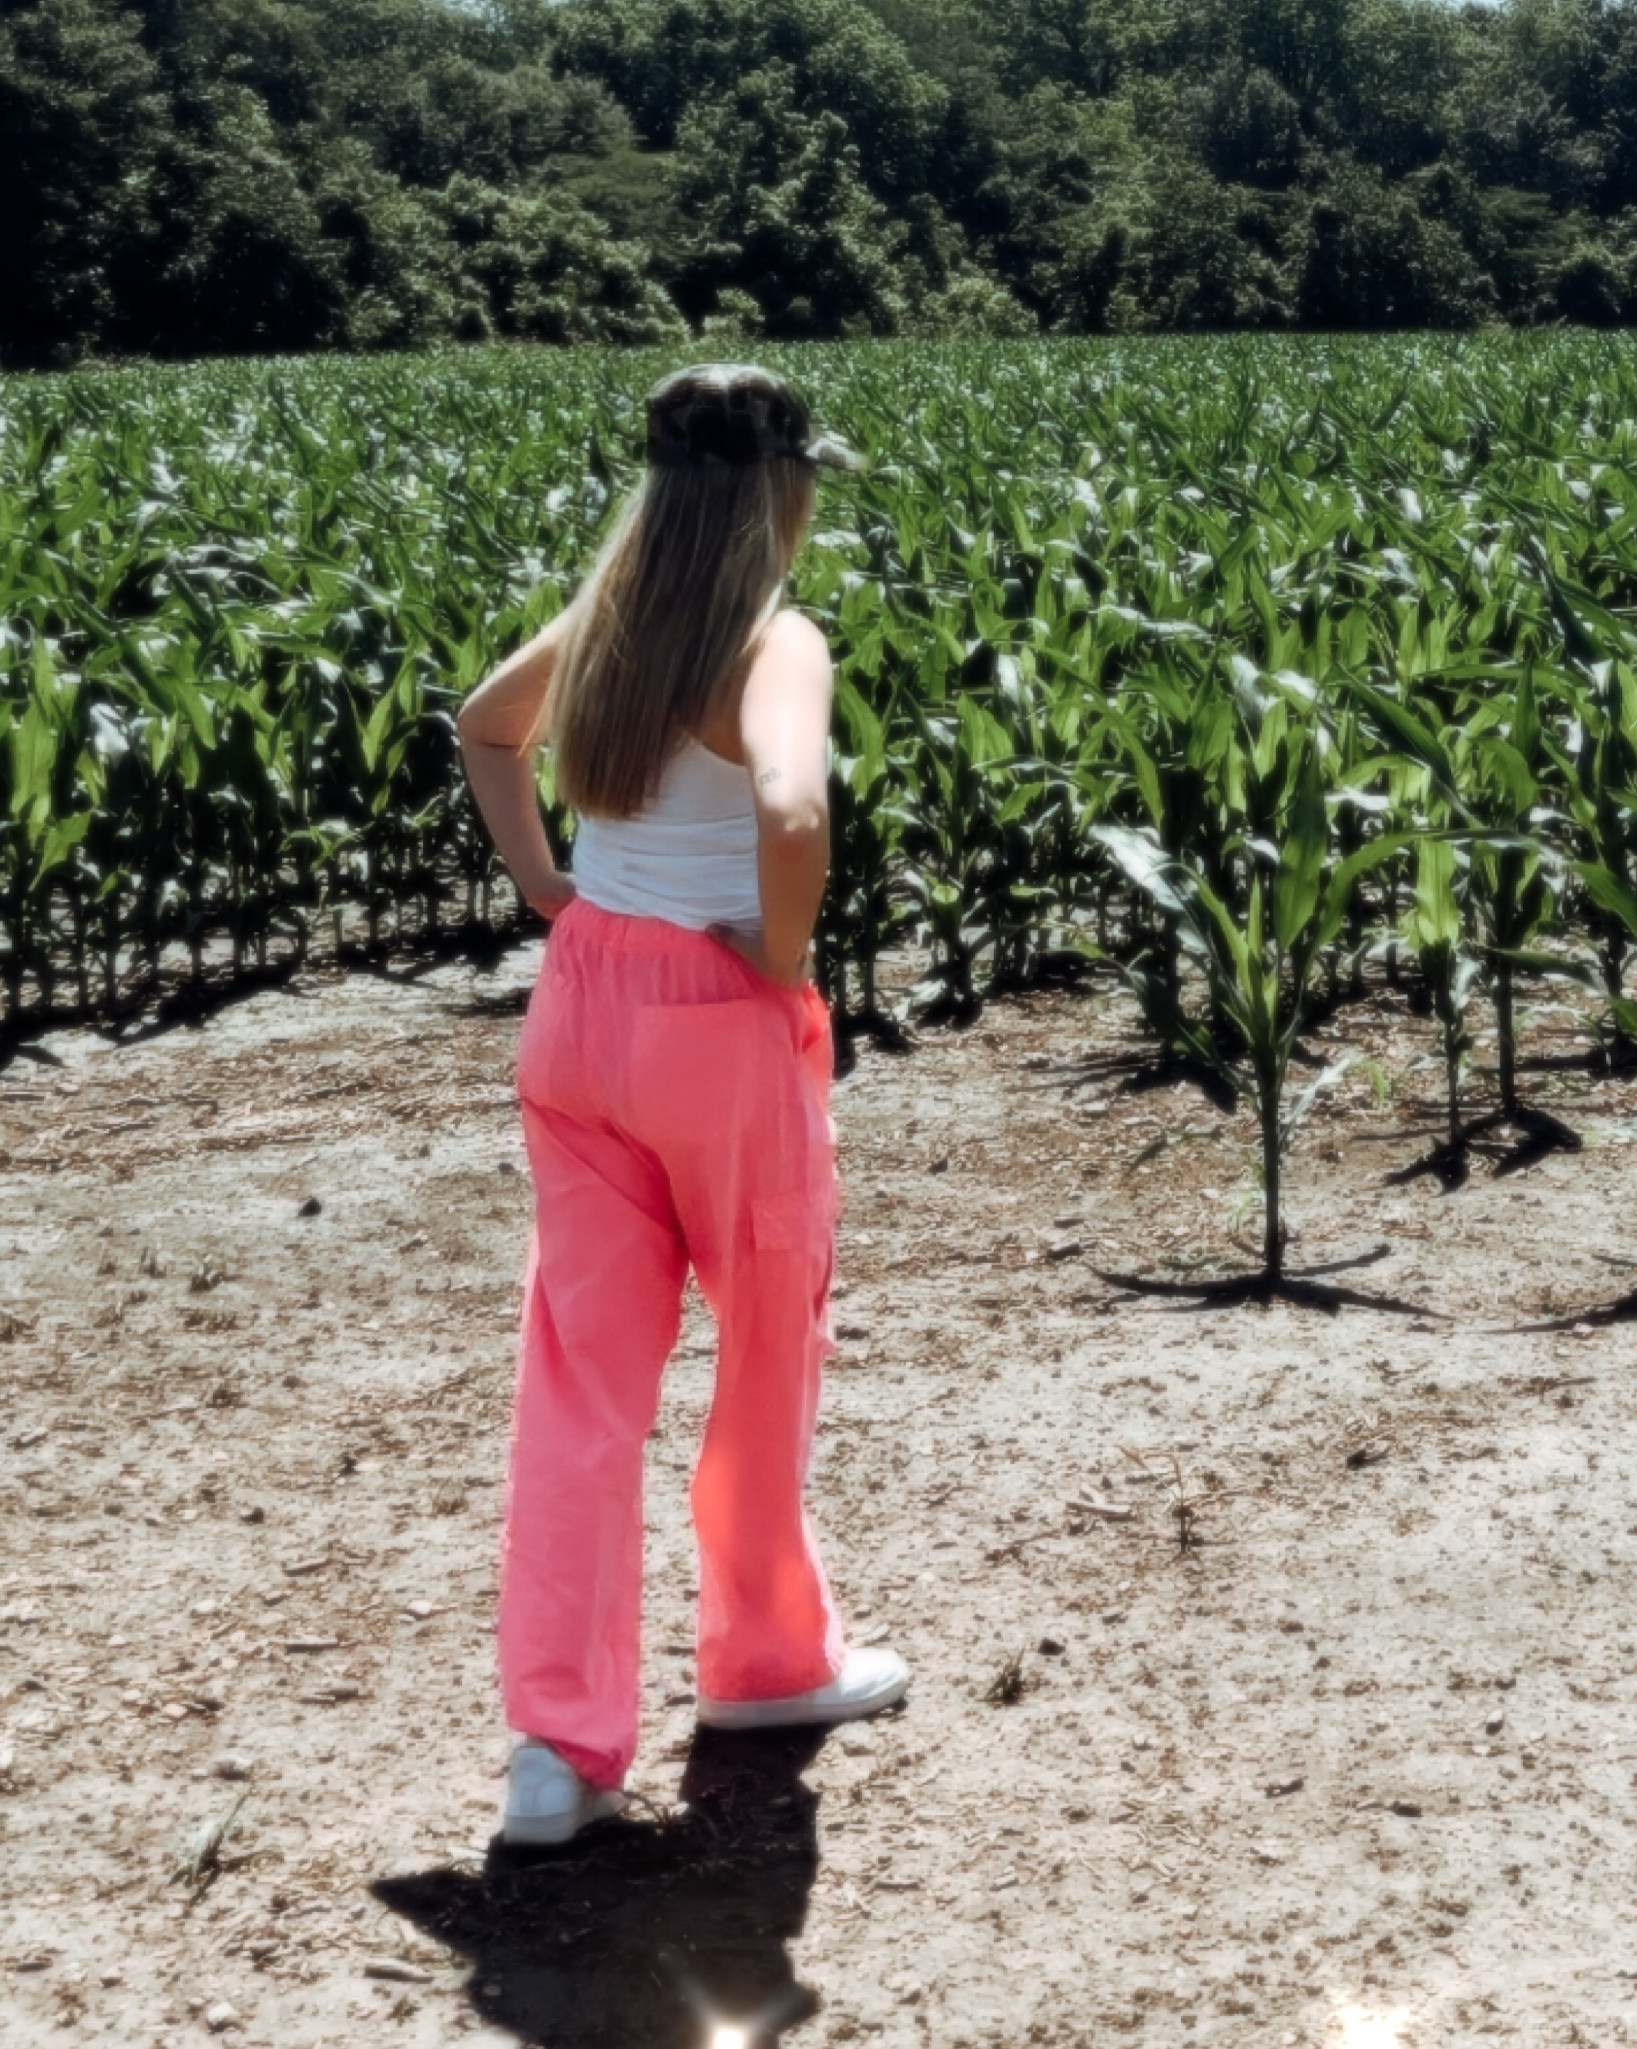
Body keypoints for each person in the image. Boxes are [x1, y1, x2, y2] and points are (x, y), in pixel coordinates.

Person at [455, 363, 909, 1849]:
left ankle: (557, 1751)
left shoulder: (616, 623)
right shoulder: (772, 639)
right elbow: (791, 808)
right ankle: (765, 1662)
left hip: (580, 1008)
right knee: (764, 1347)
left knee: (580, 1382)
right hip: (715, 1029)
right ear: (782, 490)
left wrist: (543, 882)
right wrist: (779, 961)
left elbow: (483, 723)